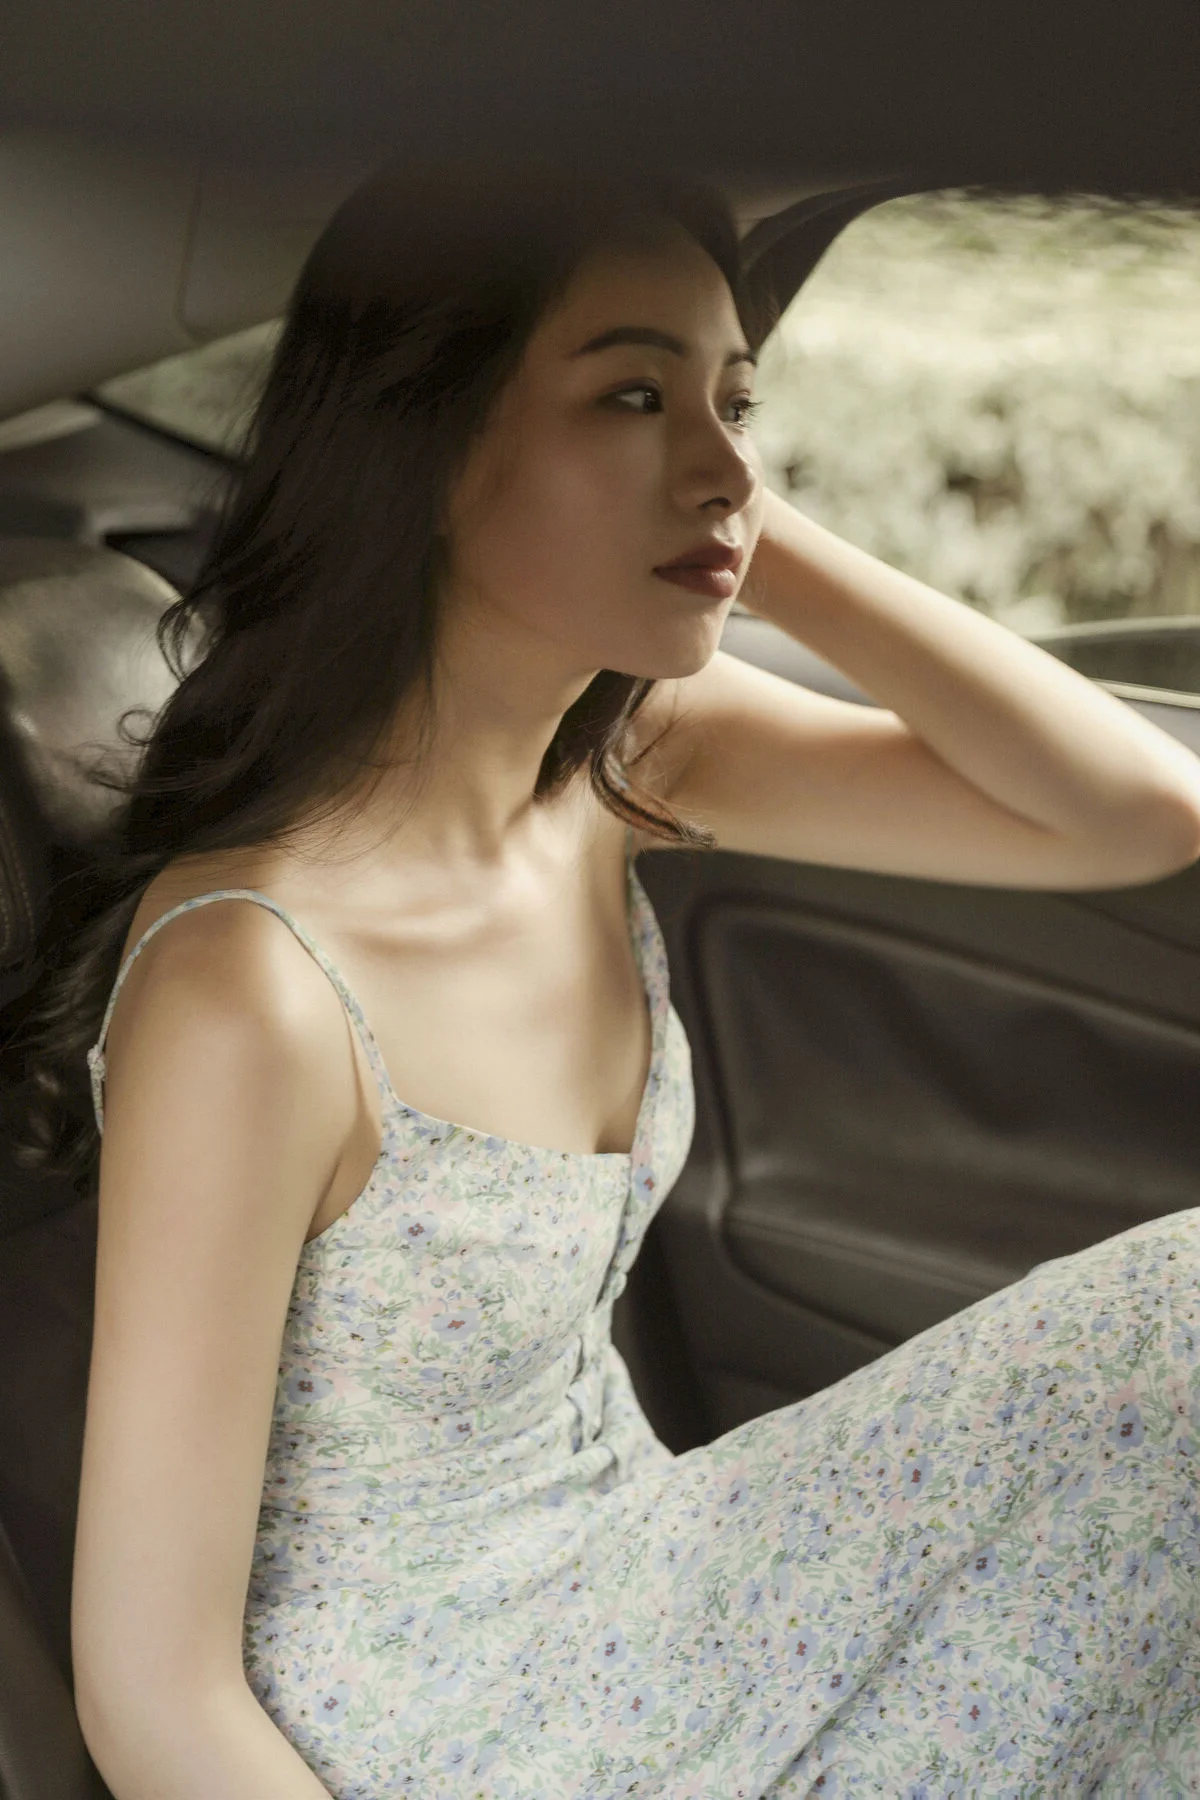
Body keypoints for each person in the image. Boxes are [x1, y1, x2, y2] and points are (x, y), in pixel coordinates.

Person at [23, 159, 1200, 1796]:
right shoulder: (249, 988)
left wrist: (734, 523)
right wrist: (701, 504)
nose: (726, 464)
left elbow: (1136, 812)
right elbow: (154, 1694)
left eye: (738, 402)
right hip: (455, 1733)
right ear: (427, 450)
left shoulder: (625, 766)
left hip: (640, 1588)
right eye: (634, 396)